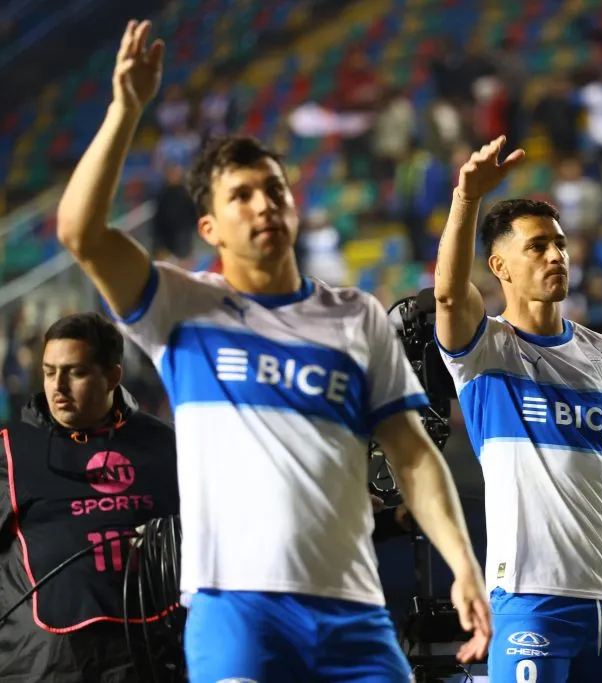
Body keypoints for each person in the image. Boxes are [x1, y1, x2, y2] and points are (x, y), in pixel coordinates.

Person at [56, 19, 490, 682]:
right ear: (210, 227)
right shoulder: (179, 305)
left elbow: (412, 454)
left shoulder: (355, 316)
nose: (264, 203)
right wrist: (126, 110)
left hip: (354, 611)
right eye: (241, 195)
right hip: (236, 610)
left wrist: (463, 563)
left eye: (274, 189)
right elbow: (81, 232)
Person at [433, 135, 602, 683]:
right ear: (499, 266)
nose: (556, 255)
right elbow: (451, 297)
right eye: (537, 247)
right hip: (531, 598)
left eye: (560, 244)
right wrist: (466, 198)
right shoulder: (485, 351)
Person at [0, 313, 179, 682]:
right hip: (47, 666)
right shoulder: (9, 452)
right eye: (49, 372)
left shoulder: (167, 445)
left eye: (75, 372)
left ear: (113, 376)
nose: (58, 387)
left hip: (152, 660)